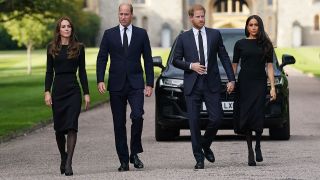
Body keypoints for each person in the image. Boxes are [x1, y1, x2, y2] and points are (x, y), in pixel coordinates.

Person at [172, 4, 235, 169]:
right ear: (191, 18)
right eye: (198, 17)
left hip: (211, 83)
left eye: (203, 16)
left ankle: (205, 145)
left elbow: (224, 57)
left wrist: (231, 79)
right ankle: (199, 158)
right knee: (193, 123)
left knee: (217, 118)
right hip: (193, 84)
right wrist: (191, 66)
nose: (201, 19)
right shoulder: (183, 38)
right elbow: (176, 60)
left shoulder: (214, 34)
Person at [96, 3, 154, 172]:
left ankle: (134, 152)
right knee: (118, 123)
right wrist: (100, 79)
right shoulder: (109, 34)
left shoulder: (141, 34)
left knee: (137, 116)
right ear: (118, 15)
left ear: (132, 15)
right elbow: (102, 59)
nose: (123, 17)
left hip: (136, 83)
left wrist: (149, 83)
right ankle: (123, 160)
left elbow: (148, 60)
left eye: (126, 14)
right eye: (121, 14)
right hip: (116, 84)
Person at [44, 17, 90, 176]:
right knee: (59, 130)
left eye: (69, 26)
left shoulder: (79, 47)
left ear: (72, 29)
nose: (66, 29)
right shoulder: (51, 48)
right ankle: (63, 157)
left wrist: (86, 93)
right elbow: (49, 71)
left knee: (72, 126)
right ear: (58, 30)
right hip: (58, 91)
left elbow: (82, 72)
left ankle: (69, 162)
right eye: (63, 26)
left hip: (73, 91)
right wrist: (47, 91)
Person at [232, 15, 276, 166]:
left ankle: (258, 145)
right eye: (250, 25)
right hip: (244, 83)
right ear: (247, 27)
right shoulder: (240, 44)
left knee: (258, 114)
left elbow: (270, 66)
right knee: (247, 115)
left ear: (260, 26)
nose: (253, 27)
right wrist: (232, 81)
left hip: (259, 83)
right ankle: (250, 150)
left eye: (256, 25)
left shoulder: (266, 45)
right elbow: (234, 65)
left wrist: (273, 87)